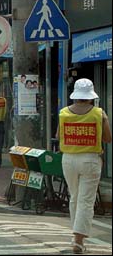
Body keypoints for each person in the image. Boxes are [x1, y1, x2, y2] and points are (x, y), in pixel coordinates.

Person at [56, 78, 112, 254]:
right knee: (86, 201)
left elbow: (58, 136)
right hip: (90, 160)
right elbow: (108, 139)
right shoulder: (99, 113)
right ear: (91, 96)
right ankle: (78, 241)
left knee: (74, 197)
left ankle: (75, 236)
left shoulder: (63, 112)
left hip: (68, 160)